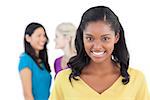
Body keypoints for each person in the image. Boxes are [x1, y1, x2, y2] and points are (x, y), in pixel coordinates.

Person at [50, 6, 150, 100]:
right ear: (82, 38)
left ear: (116, 37)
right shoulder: (63, 79)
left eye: (105, 38)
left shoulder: (136, 79)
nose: (97, 46)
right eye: (90, 38)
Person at [18, 22, 52, 100]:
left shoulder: (41, 62)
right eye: (39, 36)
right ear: (28, 38)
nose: (43, 39)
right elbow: (27, 94)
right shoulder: (25, 60)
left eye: (44, 35)